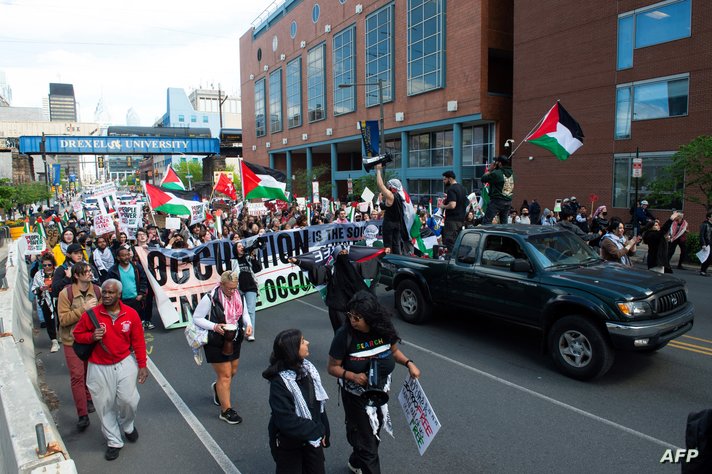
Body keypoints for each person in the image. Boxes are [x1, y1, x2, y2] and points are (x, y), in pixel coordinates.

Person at [327, 290, 421, 474]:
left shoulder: (384, 329)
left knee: (374, 432)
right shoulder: (344, 335)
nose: (353, 321)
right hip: (355, 396)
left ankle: (356, 462)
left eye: (358, 318)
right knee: (368, 444)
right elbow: (332, 368)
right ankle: (364, 458)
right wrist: (353, 376)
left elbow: (393, 352)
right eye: (350, 316)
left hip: (379, 392)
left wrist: (409, 364)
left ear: (370, 317)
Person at [72, 279, 148, 461]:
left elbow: (138, 341)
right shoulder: (91, 315)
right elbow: (77, 335)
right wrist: (91, 336)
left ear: (119, 294)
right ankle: (114, 441)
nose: (106, 295)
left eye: (110, 293)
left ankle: (128, 425)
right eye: (104, 292)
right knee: (104, 405)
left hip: (124, 363)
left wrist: (142, 365)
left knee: (129, 400)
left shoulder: (131, 314)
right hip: (98, 367)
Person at [262, 329, 330, 474]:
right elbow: (286, 421)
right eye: (302, 341)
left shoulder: (308, 370)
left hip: (312, 441)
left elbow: (318, 403)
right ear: (293, 350)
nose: (307, 343)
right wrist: (318, 430)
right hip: (290, 445)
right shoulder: (279, 383)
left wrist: (324, 428)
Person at [192, 271, 253, 424]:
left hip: (234, 338)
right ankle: (226, 411)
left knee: (232, 371)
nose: (233, 291)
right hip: (216, 340)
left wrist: (249, 324)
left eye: (235, 288)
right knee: (225, 375)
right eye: (230, 288)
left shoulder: (239, 294)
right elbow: (197, 317)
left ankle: (218, 388)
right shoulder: (210, 298)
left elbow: (244, 313)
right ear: (222, 284)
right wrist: (214, 326)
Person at [288, 246, 381, 333]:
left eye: (345, 253)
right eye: (341, 254)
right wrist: (297, 261)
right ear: (337, 256)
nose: (344, 256)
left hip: (355, 309)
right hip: (339, 310)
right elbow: (314, 268)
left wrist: (382, 252)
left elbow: (370, 261)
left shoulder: (354, 266)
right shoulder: (331, 270)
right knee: (343, 334)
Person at [57, 262, 101, 432]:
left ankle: (89, 398)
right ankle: (82, 414)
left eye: (90, 271)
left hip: (92, 339)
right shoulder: (65, 294)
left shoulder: (97, 291)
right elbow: (63, 320)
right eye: (86, 271)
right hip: (72, 341)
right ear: (76, 275)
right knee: (77, 376)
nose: (90, 274)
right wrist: (83, 308)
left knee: (91, 373)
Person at [107, 246, 150, 328]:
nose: (127, 257)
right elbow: (110, 286)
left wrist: (141, 294)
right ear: (118, 258)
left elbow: (143, 280)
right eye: (123, 255)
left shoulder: (136, 267)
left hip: (136, 300)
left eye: (127, 255)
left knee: (137, 323)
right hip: (121, 302)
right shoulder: (113, 270)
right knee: (124, 324)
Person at [232, 241, 263, 341]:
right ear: (235, 249)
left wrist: (253, 257)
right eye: (239, 246)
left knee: (250, 311)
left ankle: (251, 333)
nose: (242, 247)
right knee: (240, 311)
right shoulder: (232, 261)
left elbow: (258, 268)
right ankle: (241, 328)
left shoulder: (248, 258)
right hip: (238, 288)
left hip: (251, 287)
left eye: (242, 246)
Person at [375, 164, 407, 255]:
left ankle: (389, 265)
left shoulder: (391, 196)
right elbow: (388, 207)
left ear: (391, 187)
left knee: (388, 246)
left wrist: (378, 170)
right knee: (396, 245)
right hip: (398, 224)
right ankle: (397, 264)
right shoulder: (401, 196)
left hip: (389, 224)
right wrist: (381, 202)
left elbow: (380, 185)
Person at [31, 253, 60, 352]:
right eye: (44, 265)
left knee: (61, 317)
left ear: (53, 264)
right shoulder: (38, 275)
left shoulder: (59, 272)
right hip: (45, 300)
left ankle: (60, 334)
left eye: (49, 265)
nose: (47, 267)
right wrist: (40, 289)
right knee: (49, 320)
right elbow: (34, 289)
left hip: (59, 298)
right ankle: (54, 341)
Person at [481, 155, 515, 225]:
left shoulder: (496, 173)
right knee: (504, 222)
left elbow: (483, 179)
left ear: (499, 163)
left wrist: (490, 170)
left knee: (487, 221)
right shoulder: (512, 173)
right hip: (508, 201)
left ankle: (487, 236)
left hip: (497, 200)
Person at [439, 170, 468, 251]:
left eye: (445, 179)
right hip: (460, 220)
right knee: (457, 243)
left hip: (452, 221)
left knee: (450, 243)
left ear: (450, 179)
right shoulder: (462, 188)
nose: (443, 181)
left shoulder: (451, 189)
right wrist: (448, 197)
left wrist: (443, 206)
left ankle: (450, 260)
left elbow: (452, 205)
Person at [699, 211, 712, 277]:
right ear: (709, 217)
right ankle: (702, 271)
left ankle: (704, 270)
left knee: (710, 258)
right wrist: (703, 244)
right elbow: (701, 235)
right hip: (707, 244)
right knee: (707, 258)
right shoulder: (705, 224)